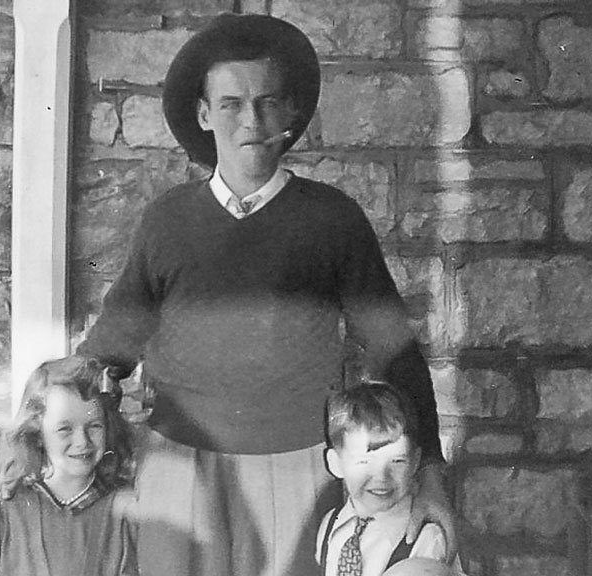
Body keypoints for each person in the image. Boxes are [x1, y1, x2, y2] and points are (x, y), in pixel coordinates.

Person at [75, 12, 454, 576]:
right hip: (180, 475)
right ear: (204, 114)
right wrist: (48, 420)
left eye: (268, 102)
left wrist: (432, 474)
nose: (250, 120)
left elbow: (395, 353)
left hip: (299, 478)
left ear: (291, 113)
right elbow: (108, 350)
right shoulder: (166, 222)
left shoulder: (333, 219)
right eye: (230, 104)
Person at [0, 357, 138, 576]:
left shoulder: (122, 510)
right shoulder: (8, 504)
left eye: (94, 426)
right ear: (37, 433)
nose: (82, 442)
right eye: (64, 429)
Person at [316, 384, 464, 576]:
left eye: (397, 461)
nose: (381, 477)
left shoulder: (427, 539)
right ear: (336, 464)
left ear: (415, 461)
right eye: (364, 462)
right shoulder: (331, 526)